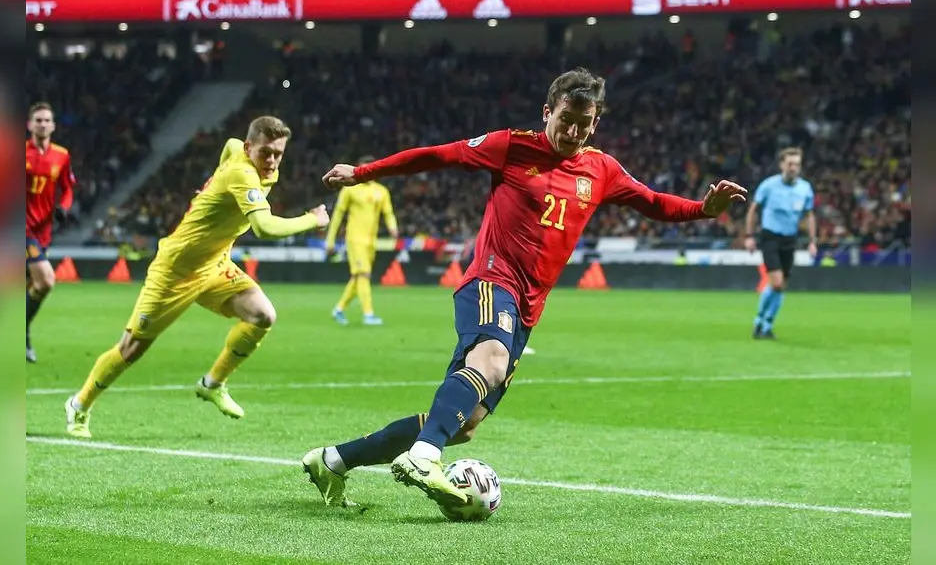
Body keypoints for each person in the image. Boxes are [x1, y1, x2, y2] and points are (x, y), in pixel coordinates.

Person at [301, 67, 747, 509]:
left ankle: (333, 460)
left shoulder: (601, 169)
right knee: (491, 361)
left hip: (528, 308)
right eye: (565, 120)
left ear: (595, 123)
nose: (573, 132)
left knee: (465, 423)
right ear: (547, 112)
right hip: (491, 281)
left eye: (584, 123)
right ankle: (424, 456)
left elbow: (652, 202)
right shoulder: (512, 146)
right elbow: (438, 155)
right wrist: (363, 172)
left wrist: (703, 209)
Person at [64, 116, 330, 439]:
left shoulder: (242, 153)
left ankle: (213, 383)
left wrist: (209, 186)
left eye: (278, 153)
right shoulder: (243, 173)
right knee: (132, 348)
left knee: (262, 315)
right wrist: (311, 220)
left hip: (214, 265)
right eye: (266, 153)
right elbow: (264, 227)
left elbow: (229, 144)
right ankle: (79, 404)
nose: (272, 160)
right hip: (176, 270)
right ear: (250, 148)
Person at [744, 147, 817, 339]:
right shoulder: (769, 186)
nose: (793, 168)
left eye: (797, 164)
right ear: (781, 165)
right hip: (770, 237)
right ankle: (760, 321)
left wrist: (812, 241)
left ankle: (765, 326)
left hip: (790, 239)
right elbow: (753, 210)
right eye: (790, 164)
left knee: (781, 285)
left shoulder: (805, 188)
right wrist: (749, 236)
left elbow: (809, 215)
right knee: (776, 282)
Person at [25, 102, 76, 364]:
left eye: (47, 120)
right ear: (29, 125)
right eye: (38, 120)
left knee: (31, 287)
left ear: (53, 126)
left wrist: (64, 207)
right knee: (46, 280)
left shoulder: (62, 155)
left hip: (43, 231)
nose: (43, 124)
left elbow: (68, 188)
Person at [325, 155, 398, 326]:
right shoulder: (350, 189)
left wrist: (393, 227)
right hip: (355, 239)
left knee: (359, 276)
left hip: (371, 241)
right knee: (363, 274)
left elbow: (388, 213)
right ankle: (368, 314)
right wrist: (330, 240)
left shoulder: (381, 191)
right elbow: (338, 215)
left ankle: (339, 309)